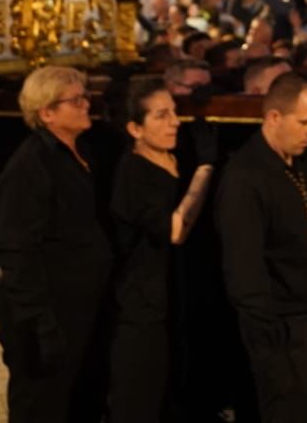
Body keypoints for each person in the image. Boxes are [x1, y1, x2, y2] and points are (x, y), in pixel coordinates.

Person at [0, 66, 112, 423]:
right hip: (45, 319)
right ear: (47, 113)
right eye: (75, 100)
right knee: (40, 409)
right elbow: (18, 252)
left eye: (85, 97)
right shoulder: (29, 168)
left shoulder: (80, 153)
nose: (85, 105)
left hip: (77, 311)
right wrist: (41, 326)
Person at [217, 74, 307, 423]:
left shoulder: (300, 165)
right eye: (305, 122)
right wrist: (266, 329)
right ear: (274, 118)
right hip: (279, 326)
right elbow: (242, 262)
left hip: (306, 314)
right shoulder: (245, 177)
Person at [108, 77, 215, 423]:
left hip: (175, 302)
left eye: (174, 112)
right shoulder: (133, 173)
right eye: (161, 115)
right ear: (135, 129)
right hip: (141, 312)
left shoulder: (170, 157)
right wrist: (205, 170)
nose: (175, 122)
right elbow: (176, 229)